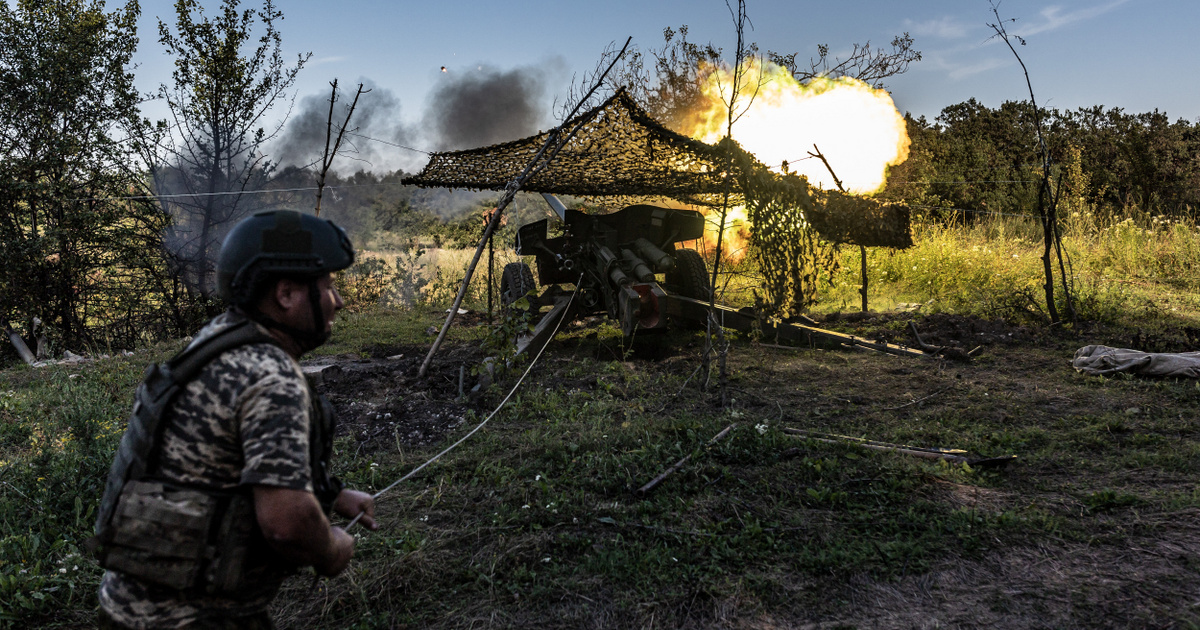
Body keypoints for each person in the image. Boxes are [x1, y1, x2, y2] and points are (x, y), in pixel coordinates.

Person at [92, 210, 377, 629]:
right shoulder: (271, 376)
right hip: (195, 619)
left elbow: (216, 462)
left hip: (128, 608)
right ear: (285, 294)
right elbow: (287, 524)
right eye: (328, 285)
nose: (338, 300)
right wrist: (330, 549)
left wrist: (331, 496)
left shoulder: (218, 339)